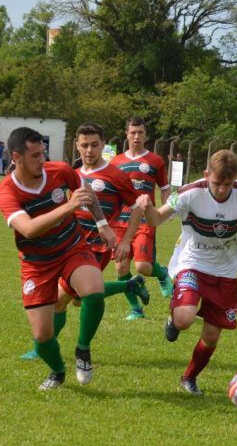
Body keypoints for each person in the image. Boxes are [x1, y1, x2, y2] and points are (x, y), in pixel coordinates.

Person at [136, 150, 237, 396]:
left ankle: (189, 377)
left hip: (225, 272)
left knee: (211, 335)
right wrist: (147, 207)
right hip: (193, 263)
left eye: (227, 184)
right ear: (206, 174)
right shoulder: (190, 193)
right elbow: (155, 220)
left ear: (235, 179)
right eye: (216, 183)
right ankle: (174, 318)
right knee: (184, 319)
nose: (221, 189)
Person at [0, 126, 117, 390]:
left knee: (93, 290)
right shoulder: (6, 191)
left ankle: (83, 350)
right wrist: (69, 206)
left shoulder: (59, 170)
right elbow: (28, 229)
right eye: (36, 155)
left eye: (44, 153)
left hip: (71, 247)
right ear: (16, 157)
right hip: (37, 263)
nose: (43, 160)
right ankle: (58, 372)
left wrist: (102, 223)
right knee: (42, 336)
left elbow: (86, 193)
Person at [19, 122, 149, 361]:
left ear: (103, 145)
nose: (89, 150)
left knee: (59, 300)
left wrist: (125, 242)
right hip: (67, 247)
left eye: (95, 145)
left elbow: (137, 209)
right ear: (76, 146)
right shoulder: (72, 174)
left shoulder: (116, 176)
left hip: (95, 250)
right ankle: (129, 286)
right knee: (77, 299)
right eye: (84, 145)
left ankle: (44, 349)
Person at [111, 116, 173, 320]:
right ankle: (136, 309)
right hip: (121, 221)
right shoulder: (116, 162)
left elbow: (165, 188)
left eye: (140, 132)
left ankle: (162, 273)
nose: (136, 136)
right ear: (127, 134)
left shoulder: (155, 161)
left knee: (143, 267)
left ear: (146, 135)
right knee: (121, 268)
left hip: (145, 220)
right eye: (133, 132)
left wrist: (166, 208)